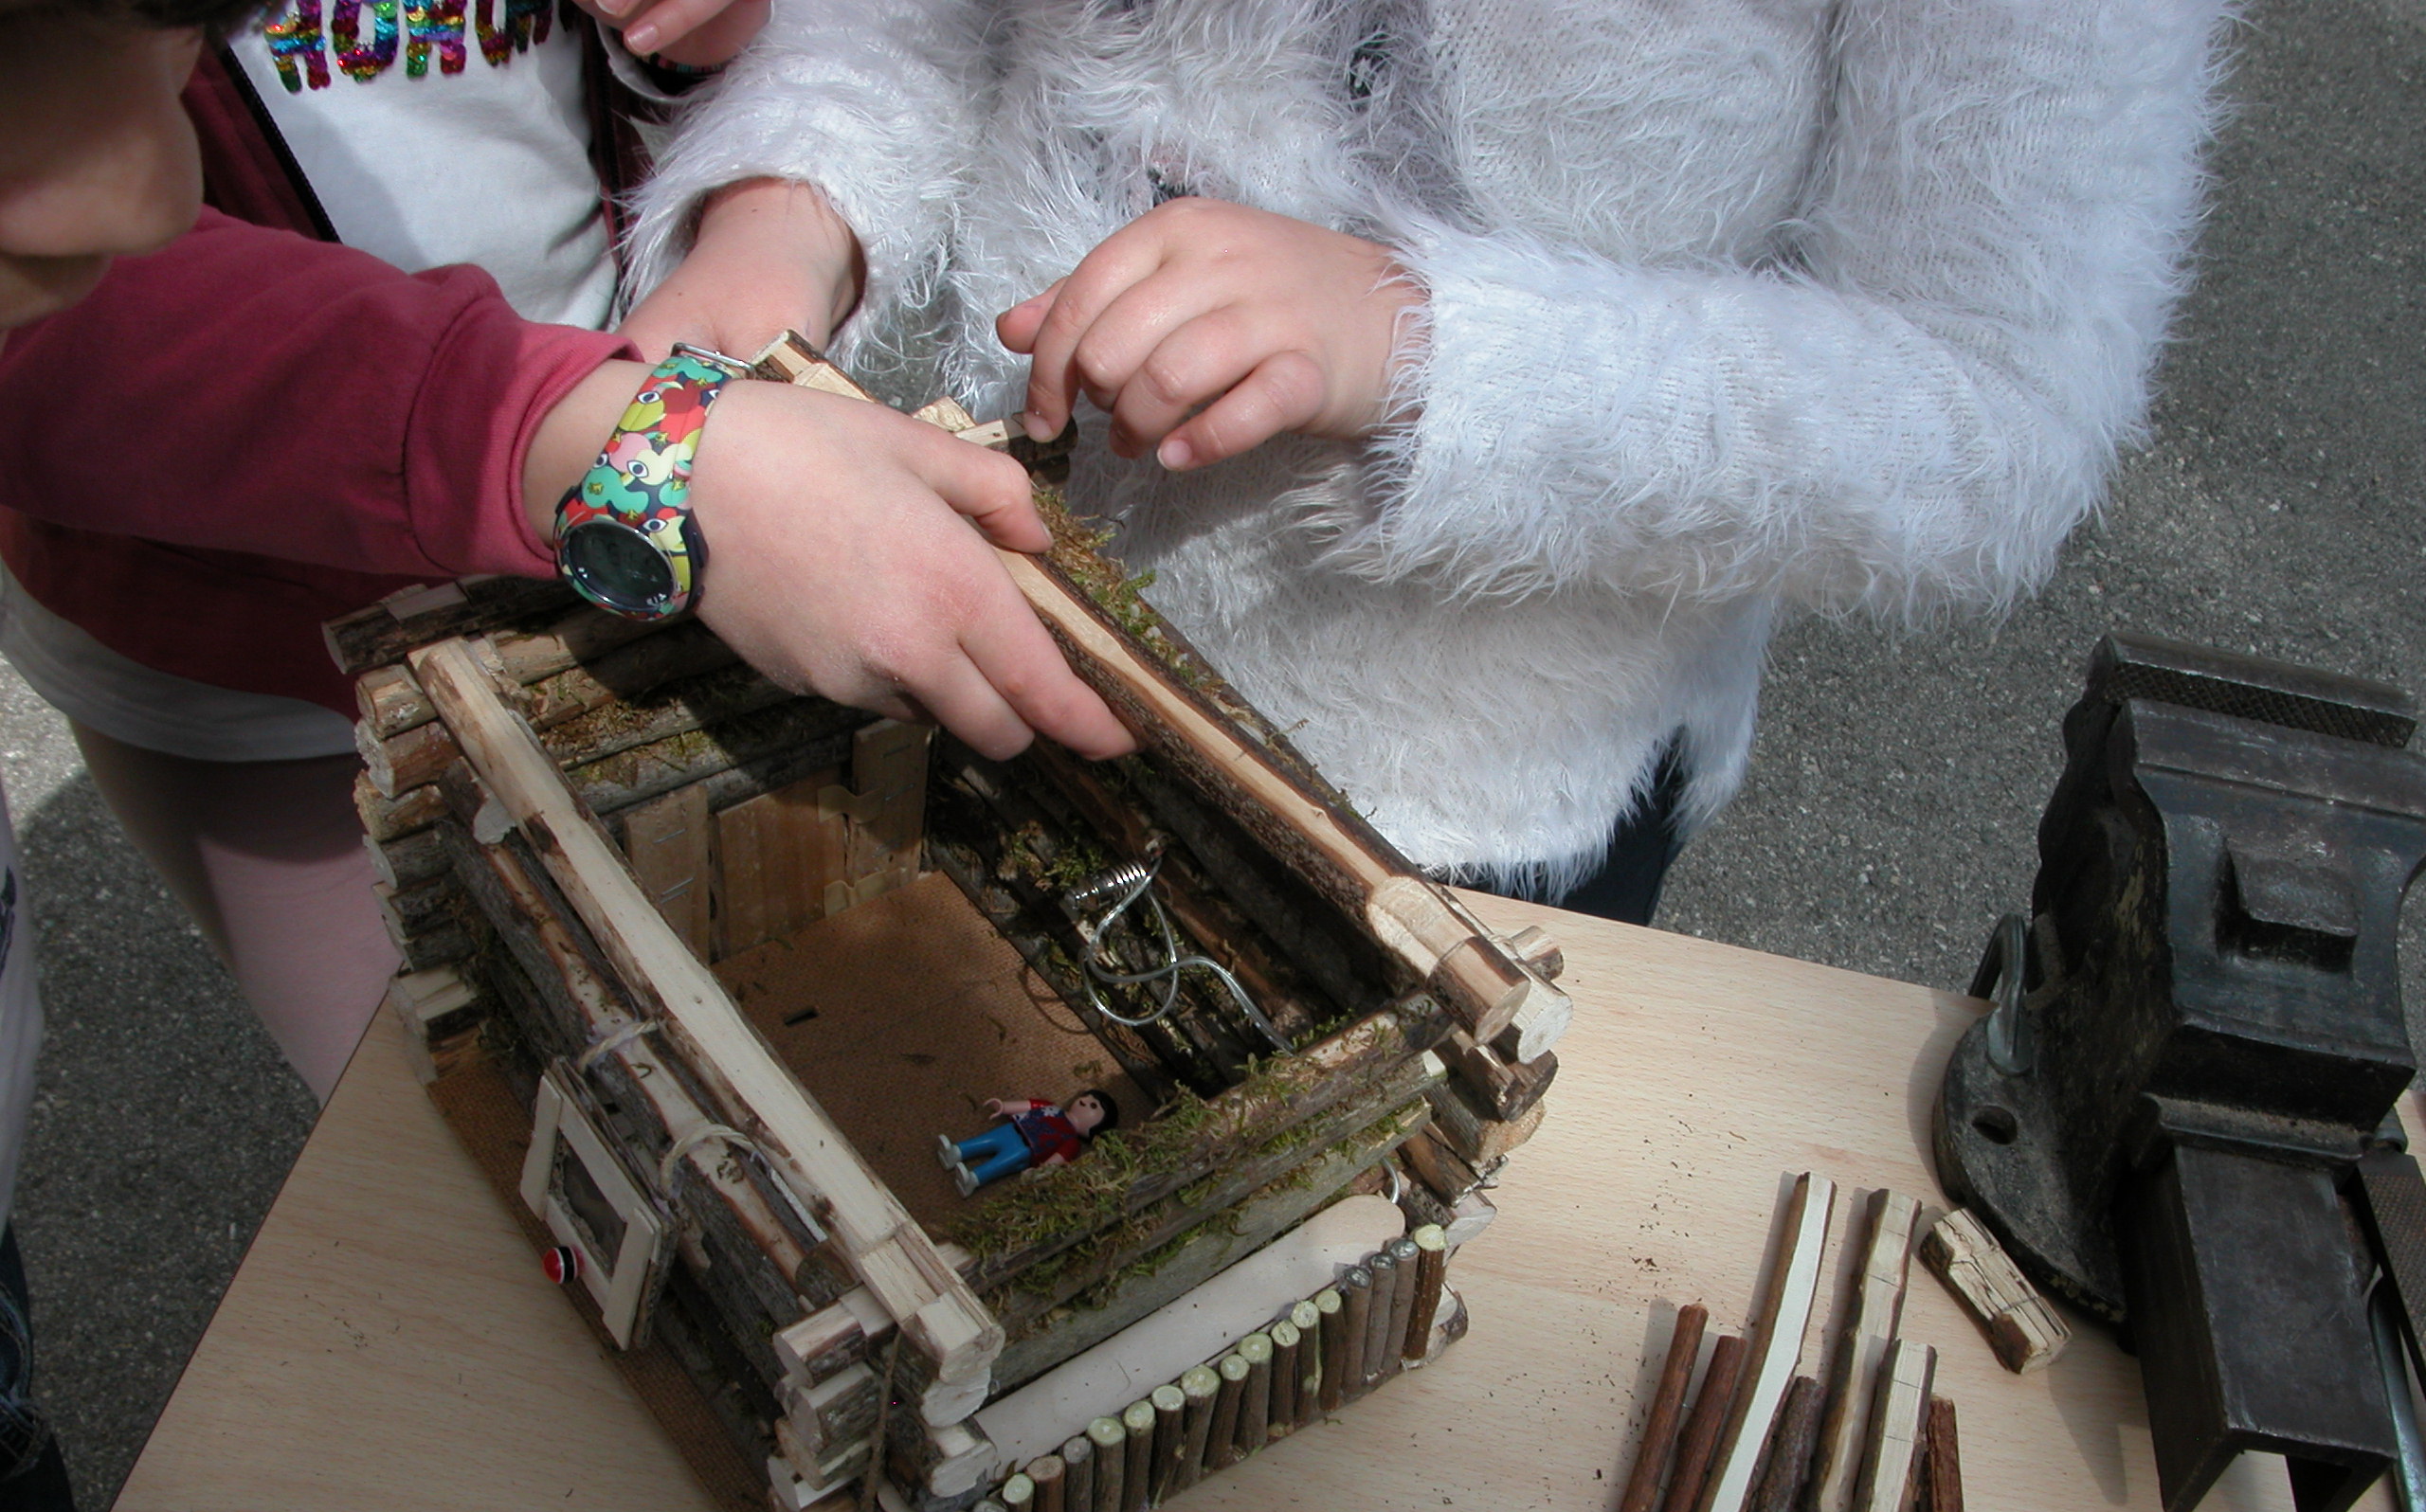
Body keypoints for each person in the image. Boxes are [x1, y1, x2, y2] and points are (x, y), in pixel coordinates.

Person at [615, 0, 2234, 924]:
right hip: (964, 605)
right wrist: (789, 211)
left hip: (1451, 810)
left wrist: (1423, 347)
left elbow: (1990, 415)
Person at [0, 5, 782, 1512]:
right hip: (259, 655)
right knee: (480, 1139)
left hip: (551, 527)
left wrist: (703, 98)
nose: (150, 192)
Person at [0, 0, 1130, 1103]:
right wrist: (614, 441)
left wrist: (699, 62)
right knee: (434, 1093)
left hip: (616, 445)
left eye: (190, 34)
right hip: (250, 666)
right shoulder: (90, 254)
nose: (159, 191)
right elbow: (77, 348)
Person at [939, 1089, 1118, 1195]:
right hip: (1014, 1128)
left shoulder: (1072, 1142)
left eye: (1093, 1106)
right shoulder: (1051, 1107)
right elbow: (1028, 1106)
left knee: (1000, 1164)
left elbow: (1057, 1159)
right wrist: (1004, 1107)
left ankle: (973, 1179)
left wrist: (1040, 1171)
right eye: (1086, 1098)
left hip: (1026, 1150)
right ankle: (956, 1151)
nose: (1085, 1103)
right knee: (985, 1140)